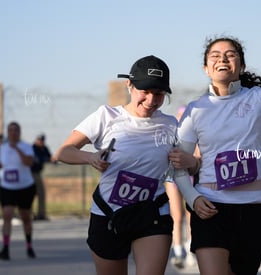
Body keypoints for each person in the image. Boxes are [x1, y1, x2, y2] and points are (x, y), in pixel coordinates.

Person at [170, 36, 261, 275]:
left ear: (242, 66)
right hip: (210, 207)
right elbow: (178, 165)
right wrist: (193, 198)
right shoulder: (195, 110)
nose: (223, 58)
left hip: (254, 209)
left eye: (231, 54)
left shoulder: (260, 98)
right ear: (206, 68)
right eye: (215, 55)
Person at [55, 55, 176, 275]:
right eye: (145, 92)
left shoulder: (171, 124)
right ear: (129, 85)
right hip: (109, 214)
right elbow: (64, 152)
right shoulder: (106, 116)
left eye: (158, 94)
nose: (151, 100)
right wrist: (91, 158)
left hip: (152, 213)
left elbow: (184, 167)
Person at [0, 122, 36, 260]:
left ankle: (29, 246)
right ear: (7, 132)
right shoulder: (2, 148)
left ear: (19, 132)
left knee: (25, 217)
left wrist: (17, 149)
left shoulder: (27, 146)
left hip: (25, 187)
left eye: (16, 130)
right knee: (7, 215)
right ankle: (5, 249)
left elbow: (28, 162)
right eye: (10, 130)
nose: (13, 133)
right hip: (7, 187)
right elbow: (1, 163)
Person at [165, 105, 196, 269]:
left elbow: (198, 156)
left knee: (191, 215)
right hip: (172, 178)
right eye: (179, 116)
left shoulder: (195, 134)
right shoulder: (169, 134)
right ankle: (177, 252)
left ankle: (190, 250)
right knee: (176, 216)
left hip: (190, 176)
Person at [31, 133, 52, 221]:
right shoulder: (33, 148)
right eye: (39, 140)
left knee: (41, 194)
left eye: (42, 140)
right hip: (30, 173)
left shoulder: (44, 148)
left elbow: (49, 157)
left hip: (37, 173)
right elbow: (35, 160)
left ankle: (41, 214)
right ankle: (30, 214)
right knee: (30, 194)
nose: (41, 142)